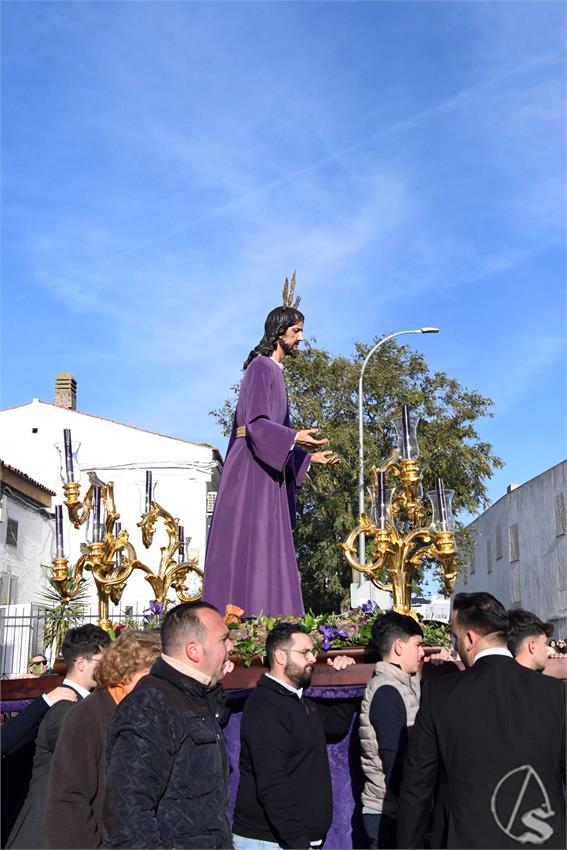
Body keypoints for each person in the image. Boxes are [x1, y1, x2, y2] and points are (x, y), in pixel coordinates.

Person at [397, 592, 566, 849]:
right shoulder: (554, 693)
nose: (455, 645)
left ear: (470, 638)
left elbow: (417, 787)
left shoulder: (439, 695)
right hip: (541, 839)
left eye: (454, 637)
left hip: (465, 840)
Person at [202, 299, 338, 618]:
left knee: (265, 540)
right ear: (279, 333)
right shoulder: (261, 367)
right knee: (254, 538)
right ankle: (249, 611)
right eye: (296, 331)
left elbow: (270, 429)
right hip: (252, 469)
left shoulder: (273, 370)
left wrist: (306, 458)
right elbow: (256, 424)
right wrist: (293, 437)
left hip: (266, 466)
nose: (300, 338)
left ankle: (270, 613)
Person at [104, 602, 234, 849]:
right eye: (223, 640)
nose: (231, 647)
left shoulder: (195, 697)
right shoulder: (151, 704)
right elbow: (129, 810)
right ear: (194, 651)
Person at [233, 622, 356, 850]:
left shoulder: (298, 700)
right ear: (280, 656)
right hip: (270, 842)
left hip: (292, 841)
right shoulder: (266, 706)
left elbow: (336, 724)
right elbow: (272, 783)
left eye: (313, 651)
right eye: (304, 652)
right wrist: (299, 843)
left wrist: (344, 677)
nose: (312, 658)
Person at [44, 630, 162, 849]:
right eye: (152, 674)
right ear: (127, 671)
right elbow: (68, 800)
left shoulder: (154, 712)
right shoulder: (88, 715)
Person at [6, 624, 110, 849]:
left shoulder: (78, 704)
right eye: (103, 661)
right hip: (45, 834)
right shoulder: (64, 708)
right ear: (81, 663)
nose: (110, 667)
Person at [359, 612, 424, 849]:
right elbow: (393, 760)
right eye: (418, 645)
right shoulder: (387, 691)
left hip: (395, 810)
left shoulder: (401, 682)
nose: (422, 653)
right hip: (388, 814)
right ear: (399, 647)